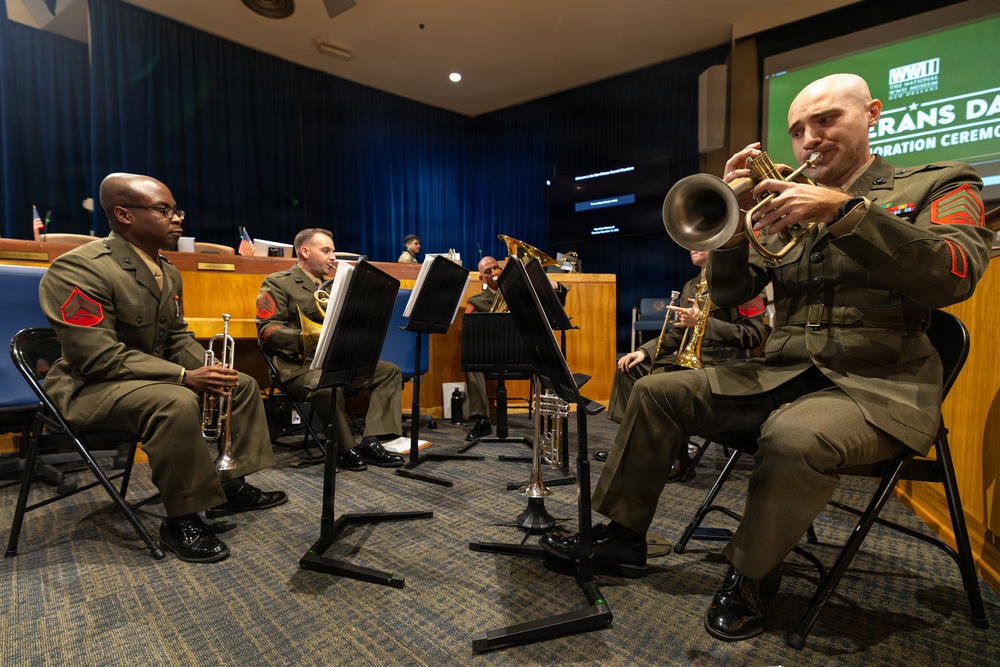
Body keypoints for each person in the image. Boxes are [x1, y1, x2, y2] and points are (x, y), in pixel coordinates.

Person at [539, 73, 994, 641]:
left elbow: (955, 273)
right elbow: (731, 295)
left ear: (872, 113)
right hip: (782, 374)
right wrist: (731, 226)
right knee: (657, 390)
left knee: (795, 435)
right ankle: (624, 537)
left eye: (826, 120)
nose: (809, 139)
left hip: (878, 387)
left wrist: (844, 212)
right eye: (798, 129)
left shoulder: (939, 183)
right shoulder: (784, 202)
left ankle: (753, 575)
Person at [38, 173, 287, 564]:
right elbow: (98, 358)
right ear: (123, 214)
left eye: (176, 210)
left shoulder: (167, 271)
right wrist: (186, 376)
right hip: (89, 386)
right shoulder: (80, 269)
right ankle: (181, 519)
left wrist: (209, 368)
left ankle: (230, 484)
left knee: (239, 383)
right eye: (164, 210)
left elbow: (176, 339)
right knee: (175, 401)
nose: (177, 219)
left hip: (140, 380)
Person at [597, 249, 766, 477]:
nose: (692, 247)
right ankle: (634, 447)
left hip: (723, 364)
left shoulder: (744, 283)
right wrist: (644, 352)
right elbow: (679, 333)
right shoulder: (691, 285)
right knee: (630, 369)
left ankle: (679, 458)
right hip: (689, 360)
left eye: (701, 242)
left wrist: (703, 323)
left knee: (663, 383)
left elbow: (753, 335)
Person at [256, 228, 405, 471]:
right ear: (305, 251)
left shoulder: (338, 285)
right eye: (326, 250)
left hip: (333, 362)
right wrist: (310, 338)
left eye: (333, 251)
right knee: (327, 386)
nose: (332, 257)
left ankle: (370, 441)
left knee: (389, 371)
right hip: (297, 367)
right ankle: (344, 449)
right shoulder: (279, 282)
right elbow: (267, 330)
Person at [462, 255, 569, 440]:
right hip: (492, 355)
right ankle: (482, 420)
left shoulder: (521, 293)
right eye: (487, 271)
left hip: (521, 352)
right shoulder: (476, 301)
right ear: (482, 278)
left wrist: (547, 283)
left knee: (546, 357)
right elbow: (471, 331)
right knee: (471, 362)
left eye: (496, 268)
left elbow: (558, 301)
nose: (494, 272)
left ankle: (547, 419)